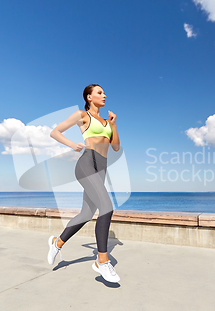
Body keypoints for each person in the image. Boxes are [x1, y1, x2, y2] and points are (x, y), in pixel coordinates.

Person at [48, 84, 121, 283]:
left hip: (102, 168)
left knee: (87, 213)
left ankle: (57, 242)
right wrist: (72, 145)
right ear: (89, 97)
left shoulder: (107, 121)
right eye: (99, 92)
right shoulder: (82, 115)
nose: (104, 95)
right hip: (87, 164)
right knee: (107, 208)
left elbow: (115, 148)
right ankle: (102, 261)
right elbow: (55, 132)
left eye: (104, 92)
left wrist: (113, 125)